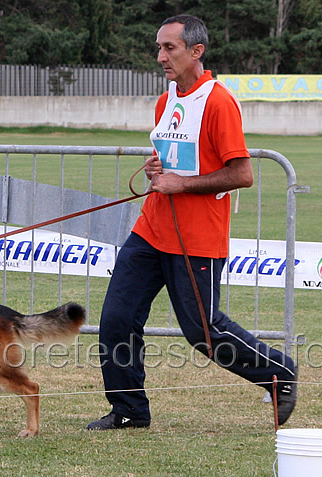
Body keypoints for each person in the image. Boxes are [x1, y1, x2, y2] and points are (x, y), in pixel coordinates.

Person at [87, 14, 297, 431]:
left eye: (170, 48)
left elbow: (241, 174)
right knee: (116, 319)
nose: (161, 56)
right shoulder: (166, 99)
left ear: (196, 51)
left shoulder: (219, 102)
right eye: (159, 48)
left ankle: (280, 373)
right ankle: (129, 410)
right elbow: (175, 160)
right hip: (150, 229)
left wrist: (181, 183)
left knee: (203, 333)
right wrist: (156, 168)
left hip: (196, 238)